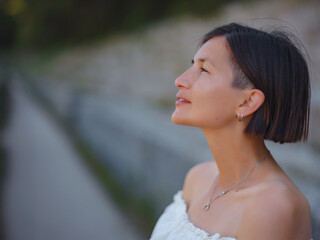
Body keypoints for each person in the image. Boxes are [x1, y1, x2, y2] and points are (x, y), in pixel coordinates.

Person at [149, 23, 313, 240]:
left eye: (204, 69)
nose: (180, 80)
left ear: (248, 102)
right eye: (192, 66)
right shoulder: (197, 178)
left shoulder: (273, 207)